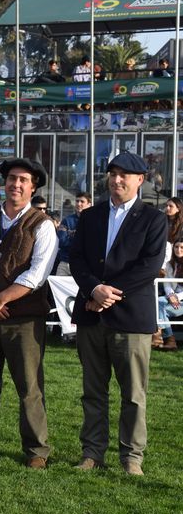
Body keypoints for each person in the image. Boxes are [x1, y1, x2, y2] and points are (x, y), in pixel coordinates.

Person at [69, 153, 168, 476]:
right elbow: (77, 259)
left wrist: (107, 294)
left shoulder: (153, 219)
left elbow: (149, 267)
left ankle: (131, 457)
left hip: (131, 320)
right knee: (93, 392)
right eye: (113, 173)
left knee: (133, 395)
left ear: (141, 180)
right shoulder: (91, 216)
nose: (117, 179)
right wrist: (94, 290)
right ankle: (92, 452)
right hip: (91, 316)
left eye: (125, 174)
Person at [0, 158, 58, 468]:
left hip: (25, 320)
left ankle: (36, 451)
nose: (16, 184)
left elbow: (37, 274)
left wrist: (1, 299)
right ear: (4, 183)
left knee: (29, 387)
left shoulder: (42, 224)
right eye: (12, 178)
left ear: (33, 187)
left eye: (23, 180)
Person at [156, 240, 183, 351]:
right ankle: (170, 340)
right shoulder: (169, 264)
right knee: (158, 302)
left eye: (182, 247)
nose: (178, 250)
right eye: (176, 247)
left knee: (159, 309)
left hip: (181, 299)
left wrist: (177, 297)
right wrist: (171, 295)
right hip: (173, 298)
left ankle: (164, 338)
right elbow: (167, 284)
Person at [56, 192, 91, 276]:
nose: (78, 204)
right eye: (77, 201)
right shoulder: (67, 220)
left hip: (84, 264)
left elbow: (92, 244)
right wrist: (81, 243)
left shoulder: (94, 221)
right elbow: (62, 241)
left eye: (82, 202)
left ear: (89, 204)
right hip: (65, 262)